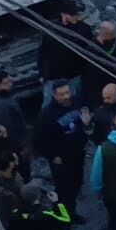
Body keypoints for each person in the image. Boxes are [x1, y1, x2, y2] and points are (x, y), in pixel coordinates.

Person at [37, 80, 91, 217]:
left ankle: (72, 213)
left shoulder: (77, 102)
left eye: (67, 92)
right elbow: (40, 140)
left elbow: (83, 122)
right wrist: (53, 156)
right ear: (54, 95)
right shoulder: (47, 114)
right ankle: (60, 217)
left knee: (76, 184)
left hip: (78, 153)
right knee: (63, 190)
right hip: (60, 159)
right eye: (61, 94)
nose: (66, 96)